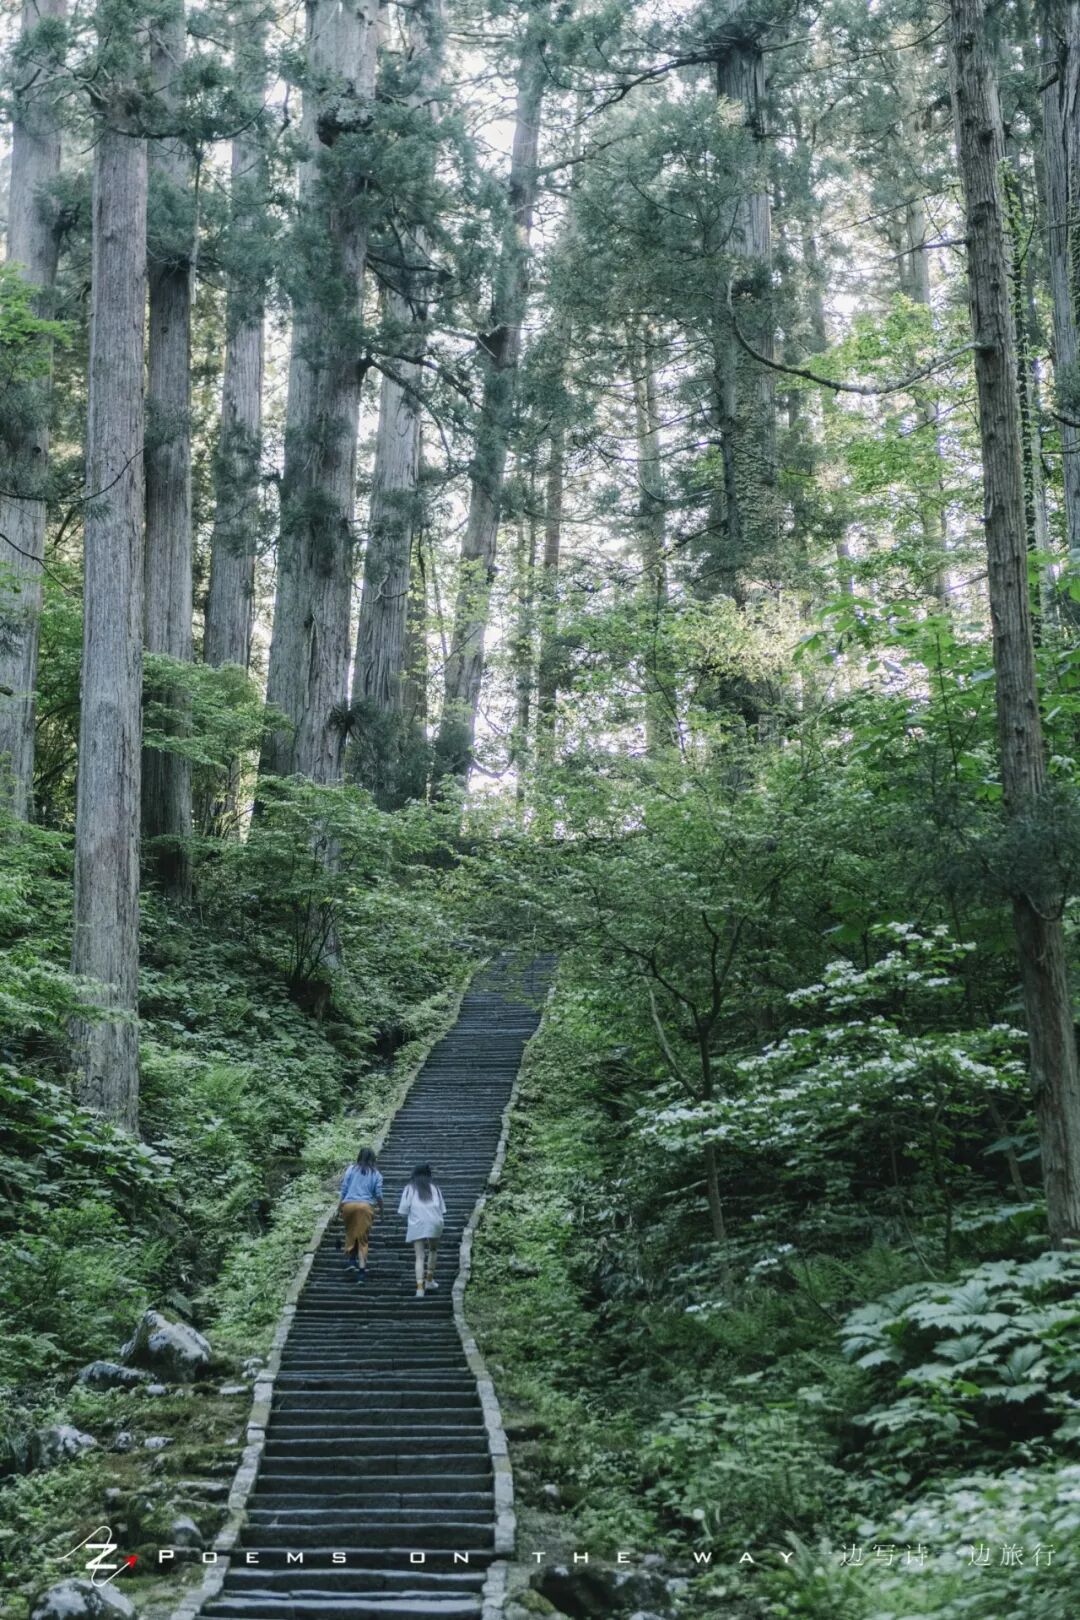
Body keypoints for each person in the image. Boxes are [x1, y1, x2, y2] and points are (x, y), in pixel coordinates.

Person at [398, 1163, 446, 1298]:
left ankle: (420, 1288)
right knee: (433, 1249)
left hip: (417, 1223)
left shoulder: (409, 1188)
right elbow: (442, 1209)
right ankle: (429, 1279)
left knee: (419, 1256)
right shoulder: (435, 1188)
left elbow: (403, 1210)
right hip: (435, 1221)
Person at [339, 1147, 384, 1280]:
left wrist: (339, 1206)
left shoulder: (351, 1169)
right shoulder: (376, 1174)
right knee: (362, 1238)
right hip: (365, 1207)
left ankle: (352, 1261)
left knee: (351, 1232)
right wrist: (381, 1209)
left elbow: (344, 1188)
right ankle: (362, 1271)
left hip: (348, 1205)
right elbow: (379, 1194)